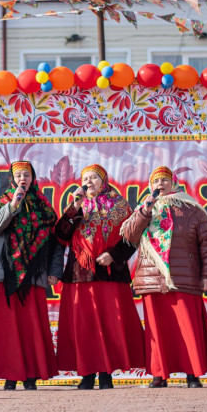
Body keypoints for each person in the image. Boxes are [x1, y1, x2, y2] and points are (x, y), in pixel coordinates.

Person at [120, 165, 207, 388]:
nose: (160, 184)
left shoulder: (192, 208)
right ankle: (159, 374)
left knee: (187, 327)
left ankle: (192, 374)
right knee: (157, 329)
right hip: (153, 279)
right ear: (150, 186)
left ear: (174, 183)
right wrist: (145, 211)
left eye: (165, 180)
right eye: (156, 181)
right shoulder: (145, 208)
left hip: (185, 277)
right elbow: (129, 236)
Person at [54, 163, 145, 390]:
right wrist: (74, 206)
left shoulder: (120, 205)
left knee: (110, 324)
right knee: (85, 326)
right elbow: (61, 235)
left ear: (103, 181)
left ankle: (106, 373)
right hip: (80, 274)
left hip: (110, 274)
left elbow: (132, 238)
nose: (89, 182)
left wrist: (114, 255)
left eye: (94, 177)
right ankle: (87, 373)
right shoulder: (77, 205)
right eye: (86, 178)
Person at [0, 161, 62, 390]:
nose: (22, 178)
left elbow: (56, 242)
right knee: (8, 329)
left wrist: (55, 271)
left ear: (33, 177)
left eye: (26, 174)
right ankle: (10, 374)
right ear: (12, 179)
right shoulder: (1, 203)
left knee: (31, 327)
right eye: (18, 175)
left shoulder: (44, 207)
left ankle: (31, 375)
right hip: (5, 277)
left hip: (34, 276)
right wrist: (13, 204)